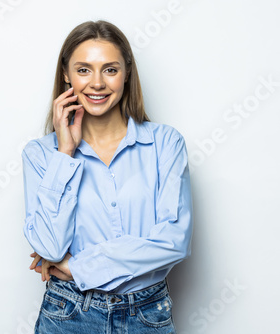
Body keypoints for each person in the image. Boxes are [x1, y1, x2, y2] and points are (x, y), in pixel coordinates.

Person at [21, 20, 193, 333]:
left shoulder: (165, 143)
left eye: (110, 69)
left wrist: (79, 267)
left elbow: (174, 241)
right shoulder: (41, 155)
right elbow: (49, 246)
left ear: (126, 74)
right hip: (67, 314)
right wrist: (64, 154)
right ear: (66, 75)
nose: (97, 83)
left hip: (146, 315)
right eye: (84, 70)